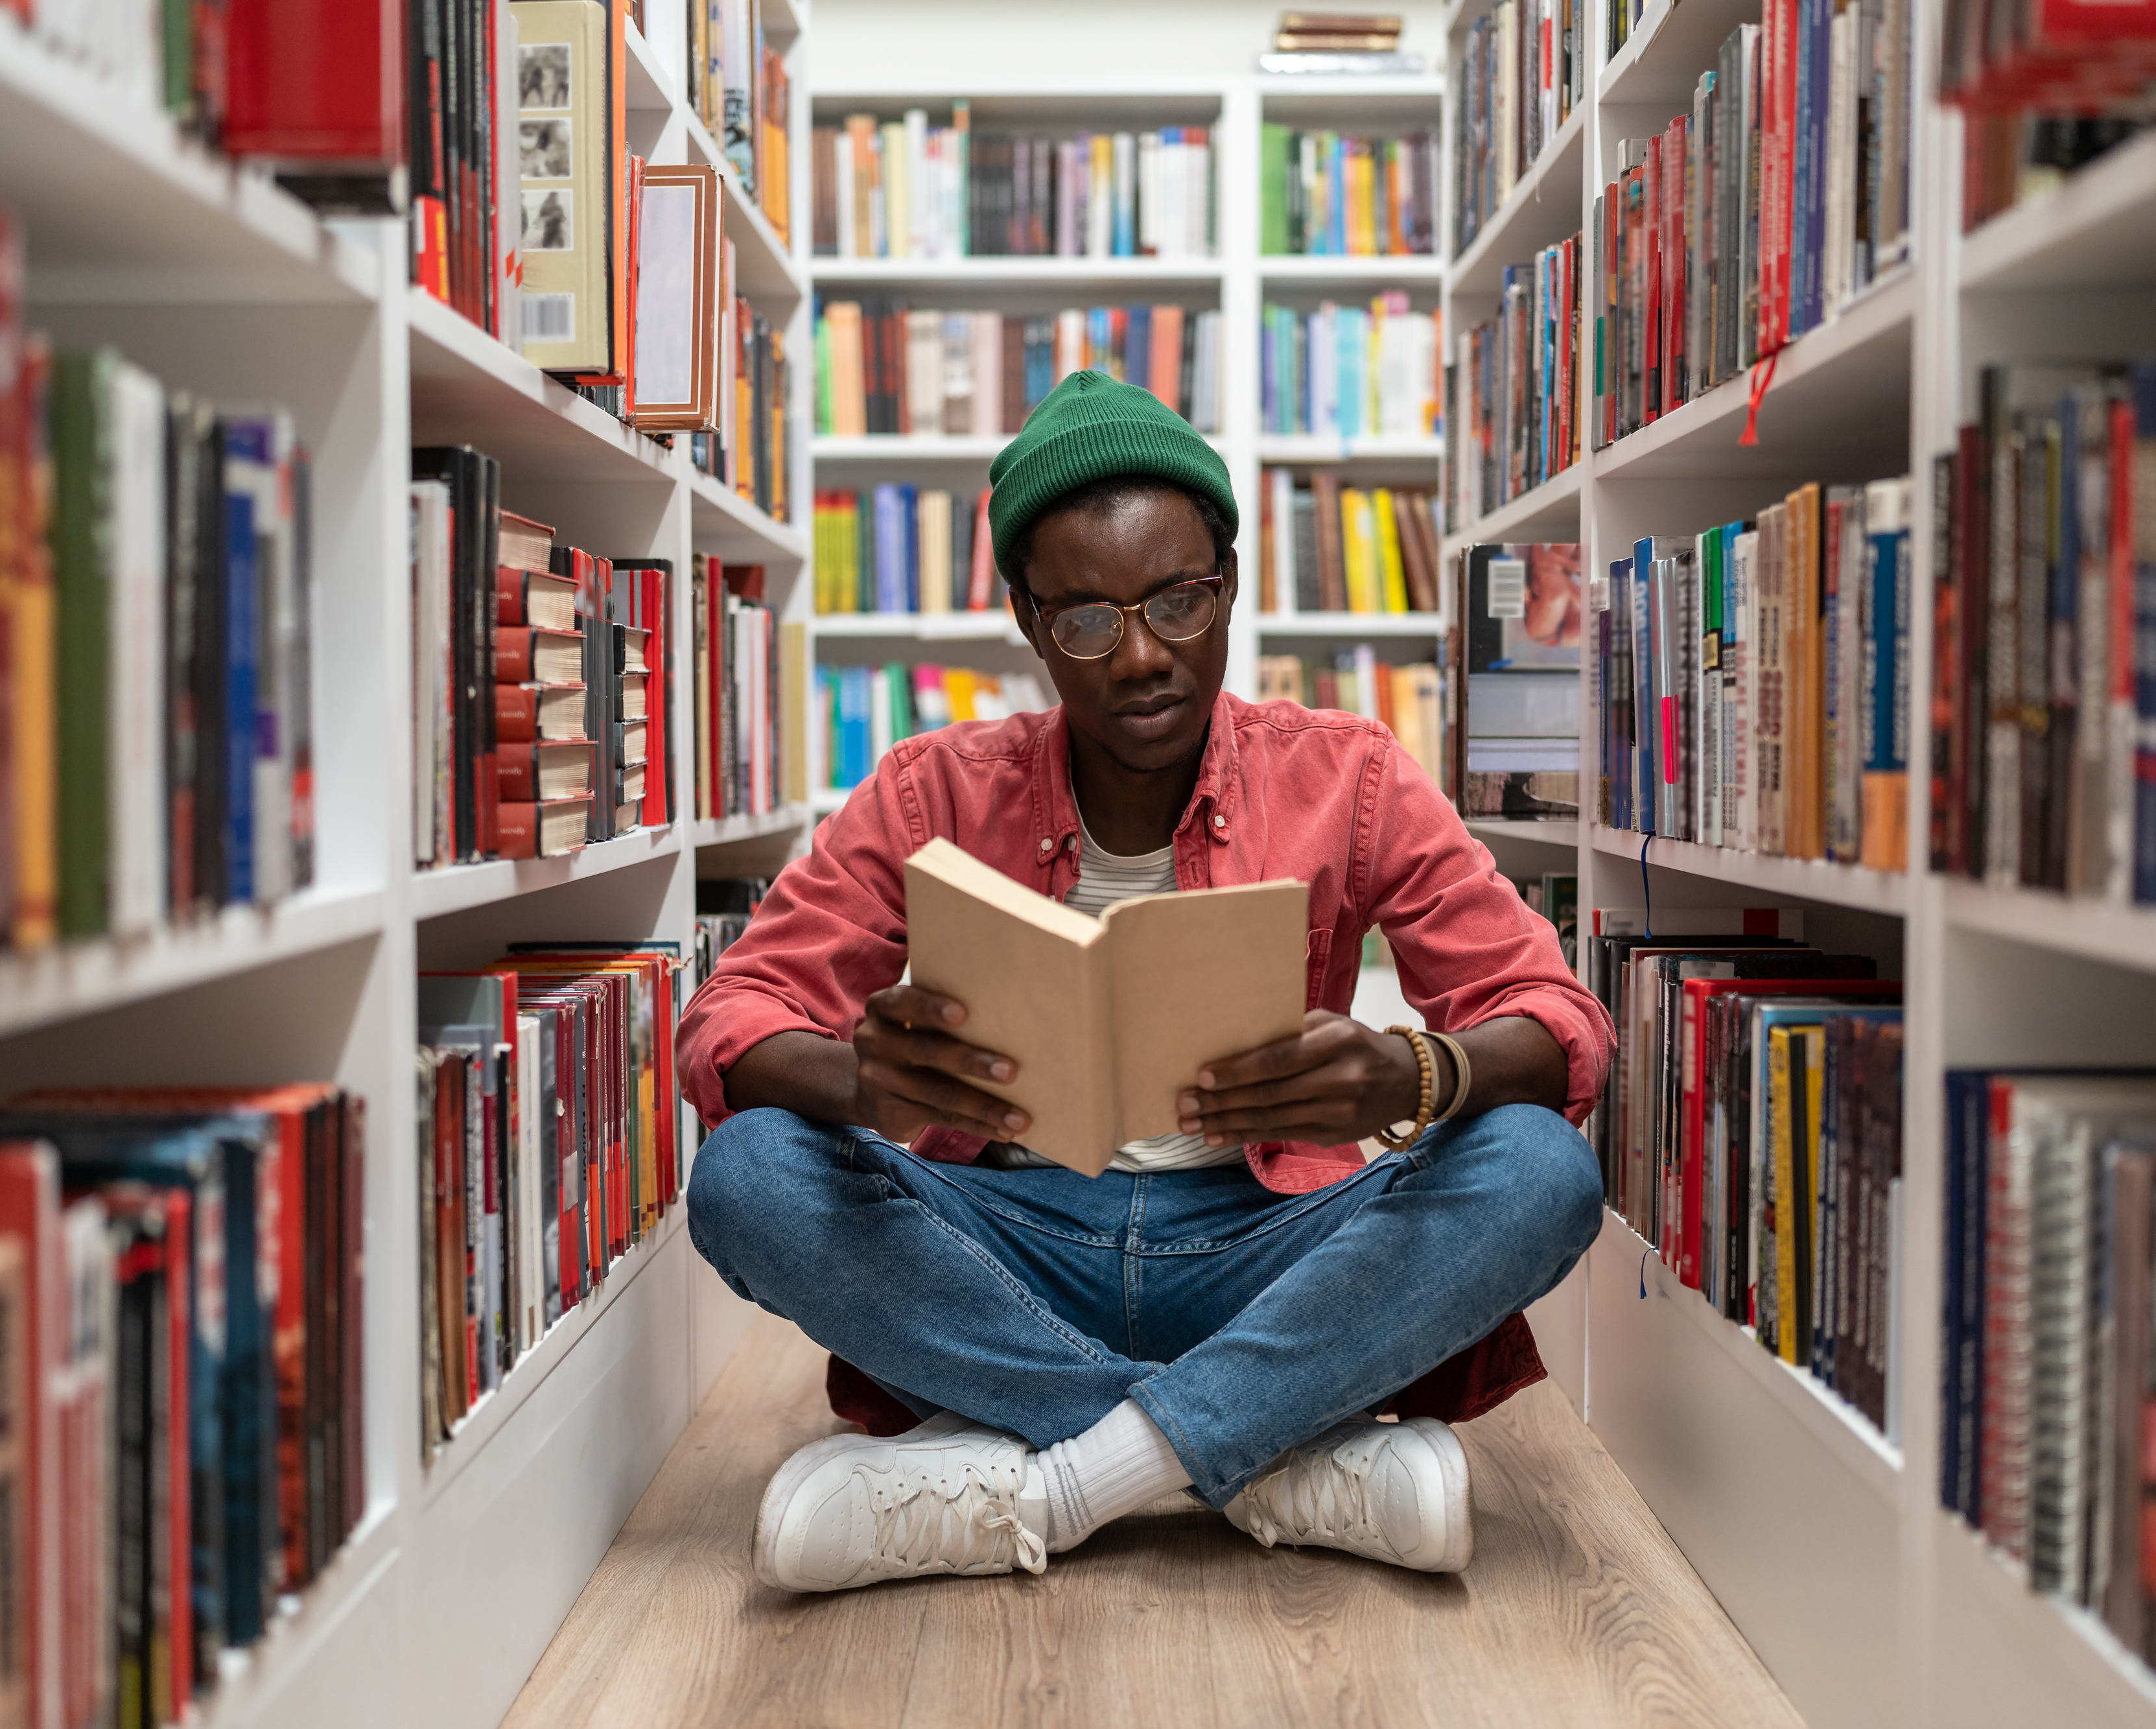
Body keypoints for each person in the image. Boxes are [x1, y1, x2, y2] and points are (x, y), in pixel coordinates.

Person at [679, 370, 1612, 1594]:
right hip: (1008, 1256)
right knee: (747, 1175)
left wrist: (1410, 1069)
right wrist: (859, 1081)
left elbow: (1561, 1024)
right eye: (1084, 620)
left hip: (1270, 1248)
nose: (1140, 657)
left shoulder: (1348, 774)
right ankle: (1260, 1458)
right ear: (1025, 619)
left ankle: (1059, 1479)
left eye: (1179, 600)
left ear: (1228, 580)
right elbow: (729, 1021)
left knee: (1542, 1170)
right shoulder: (931, 791)